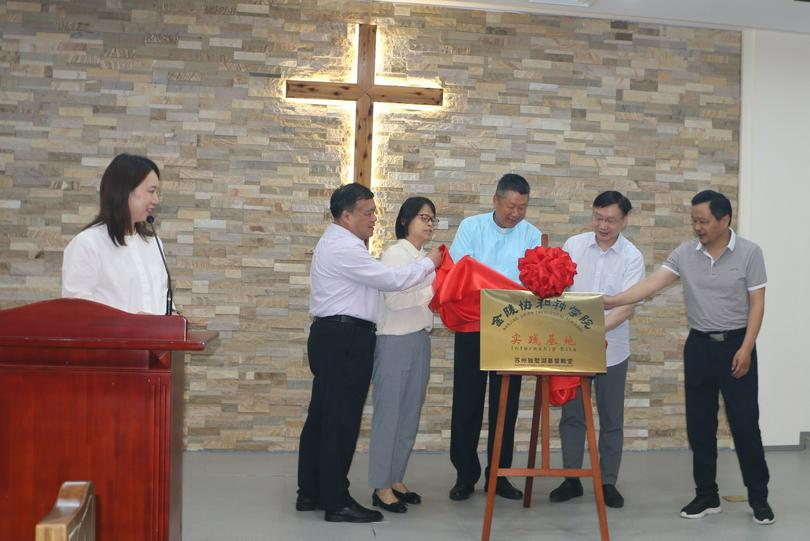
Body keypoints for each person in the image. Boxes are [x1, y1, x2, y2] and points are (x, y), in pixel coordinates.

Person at [604, 190, 774, 525]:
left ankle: (759, 497)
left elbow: (757, 303)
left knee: (744, 425)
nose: (697, 227)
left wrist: (746, 347)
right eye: (694, 220)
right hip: (698, 347)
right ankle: (706, 494)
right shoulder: (686, 253)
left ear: (725, 220)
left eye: (703, 221)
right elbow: (652, 284)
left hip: (736, 345)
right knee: (700, 426)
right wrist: (612, 300)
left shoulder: (750, 253)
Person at [296, 183, 442, 523]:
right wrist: (430, 265)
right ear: (346, 216)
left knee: (322, 417)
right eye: (368, 212)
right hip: (344, 337)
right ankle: (336, 500)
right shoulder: (345, 247)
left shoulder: (340, 242)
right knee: (340, 421)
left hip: (334, 335)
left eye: (374, 211)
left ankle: (311, 491)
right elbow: (389, 280)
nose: (375, 218)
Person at [448, 173, 542, 501]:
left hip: (511, 329)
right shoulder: (471, 228)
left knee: (506, 405)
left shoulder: (532, 235)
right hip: (473, 325)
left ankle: (499, 475)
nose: (516, 213)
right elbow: (461, 274)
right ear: (495, 200)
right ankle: (465, 474)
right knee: (467, 403)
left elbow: (533, 283)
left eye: (523, 207)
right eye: (510, 206)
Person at [549, 191, 644, 509]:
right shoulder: (574, 245)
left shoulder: (632, 256)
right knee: (572, 415)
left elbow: (627, 307)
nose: (603, 225)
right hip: (574, 348)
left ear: (624, 220)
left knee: (611, 417)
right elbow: (558, 289)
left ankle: (607, 482)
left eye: (611, 220)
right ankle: (572, 478)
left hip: (612, 349)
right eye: (598, 218)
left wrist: (592, 332)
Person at [368, 197, 438, 514]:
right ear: (406, 219)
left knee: (409, 415)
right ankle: (380, 486)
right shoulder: (395, 254)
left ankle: (396, 478)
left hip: (419, 340)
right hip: (394, 341)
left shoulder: (425, 258)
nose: (429, 223)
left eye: (432, 218)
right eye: (423, 217)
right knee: (389, 416)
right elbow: (395, 301)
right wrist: (434, 290)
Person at [62, 153, 167, 315]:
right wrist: (130, 325)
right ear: (125, 191)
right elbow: (76, 312)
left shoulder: (154, 243)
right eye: (151, 191)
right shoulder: (88, 244)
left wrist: (173, 315)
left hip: (157, 340)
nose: (156, 200)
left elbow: (162, 295)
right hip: (116, 340)